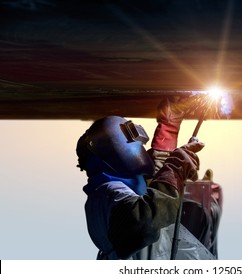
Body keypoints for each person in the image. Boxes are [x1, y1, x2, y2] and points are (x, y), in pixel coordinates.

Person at [76, 96, 222, 259]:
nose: (141, 151)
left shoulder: (121, 188)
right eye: (136, 146)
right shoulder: (107, 197)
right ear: (116, 151)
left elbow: (152, 187)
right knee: (200, 205)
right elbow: (146, 219)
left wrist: (169, 127)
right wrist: (175, 168)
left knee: (203, 202)